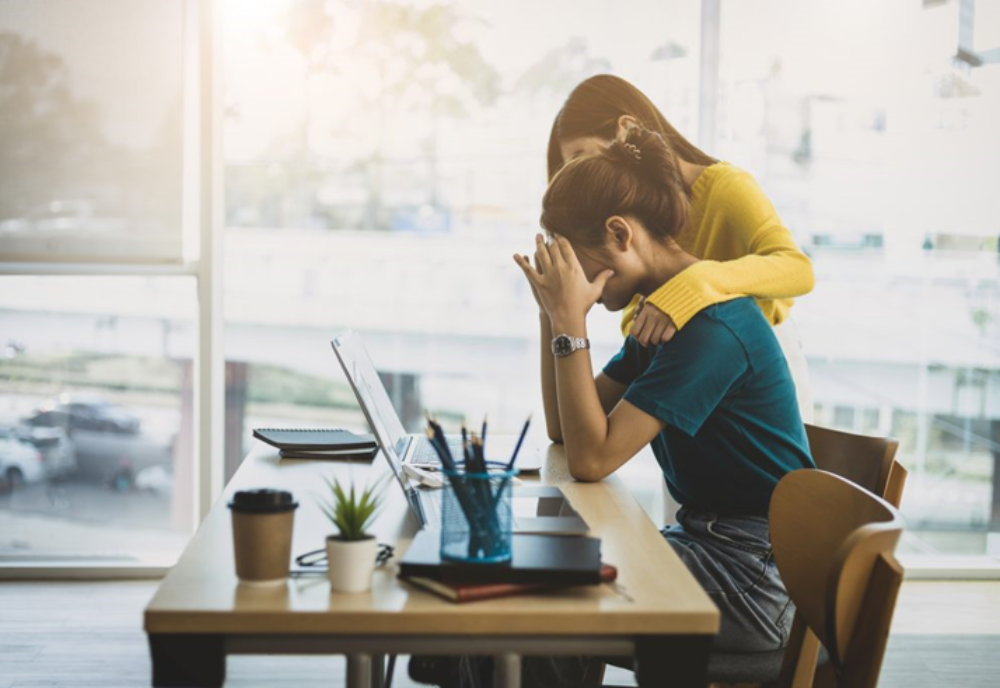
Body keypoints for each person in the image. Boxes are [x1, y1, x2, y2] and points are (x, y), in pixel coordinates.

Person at [505, 125, 816, 688]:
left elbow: (592, 458)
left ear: (619, 232)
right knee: (529, 579)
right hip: (712, 546)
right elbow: (567, 427)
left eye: (576, 264)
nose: (582, 286)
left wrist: (571, 321)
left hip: (755, 580)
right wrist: (555, 313)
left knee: (539, 604)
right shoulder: (662, 314)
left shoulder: (709, 329)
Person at [547, 74, 815, 423]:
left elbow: (797, 269)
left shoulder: (724, 187)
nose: (581, 177)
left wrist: (692, 285)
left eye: (582, 158)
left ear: (626, 130)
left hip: (755, 379)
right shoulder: (635, 227)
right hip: (685, 370)